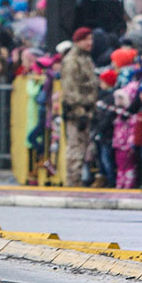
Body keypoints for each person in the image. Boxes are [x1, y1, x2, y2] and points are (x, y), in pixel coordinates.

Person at [60, 27, 98, 186]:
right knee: (75, 149)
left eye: (91, 39)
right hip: (76, 111)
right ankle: (73, 181)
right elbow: (70, 89)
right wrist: (80, 111)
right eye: (86, 39)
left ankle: (77, 180)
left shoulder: (86, 59)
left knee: (83, 148)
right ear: (78, 41)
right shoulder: (72, 60)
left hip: (87, 110)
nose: (90, 43)